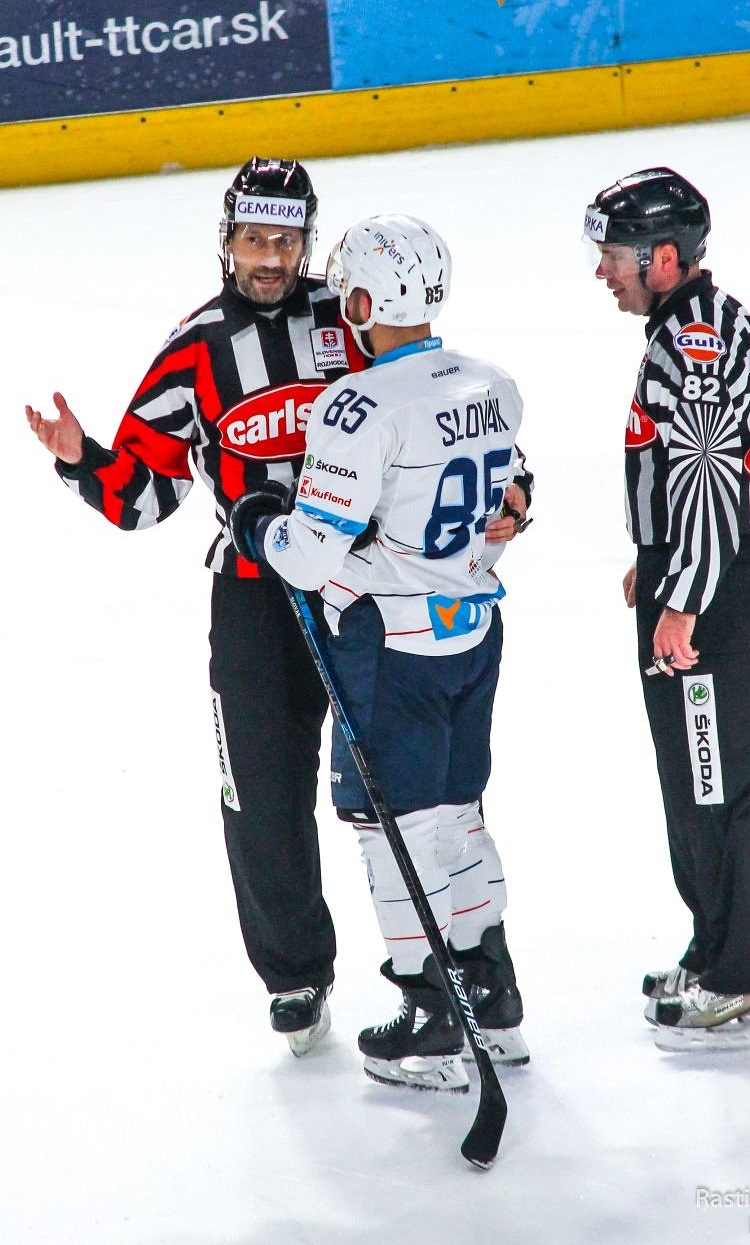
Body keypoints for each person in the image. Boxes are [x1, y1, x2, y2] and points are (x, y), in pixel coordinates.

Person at [24, 157, 373, 1056]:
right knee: (259, 793)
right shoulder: (194, 349)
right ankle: (296, 973)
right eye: (255, 239)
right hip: (254, 601)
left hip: (364, 586)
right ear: (228, 241)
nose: (271, 257)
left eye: (286, 240)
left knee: (398, 784)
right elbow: (145, 496)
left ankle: (435, 963)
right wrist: (81, 458)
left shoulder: (352, 319)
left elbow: (426, 401)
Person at [228, 213, 531, 1091]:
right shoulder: (493, 384)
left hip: (391, 644)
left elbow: (308, 555)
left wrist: (258, 523)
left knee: (390, 829)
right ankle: (491, 996)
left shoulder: (358, 406)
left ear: (362, 303)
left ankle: (431, 1017)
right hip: (473, 628)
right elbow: (504, 497)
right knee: (458, 814)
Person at [584, 167, 750, 1051]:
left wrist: (681, 598)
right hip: (703, 574)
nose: (602, 271)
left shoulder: (696, 340)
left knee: (718, 787)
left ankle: (749, 977)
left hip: (724, 591)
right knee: (691, 783)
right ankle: (714, 947)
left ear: (663, 259)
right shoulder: (683, 324)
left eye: (614, 256)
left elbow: (712, 480)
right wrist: (655, 558)